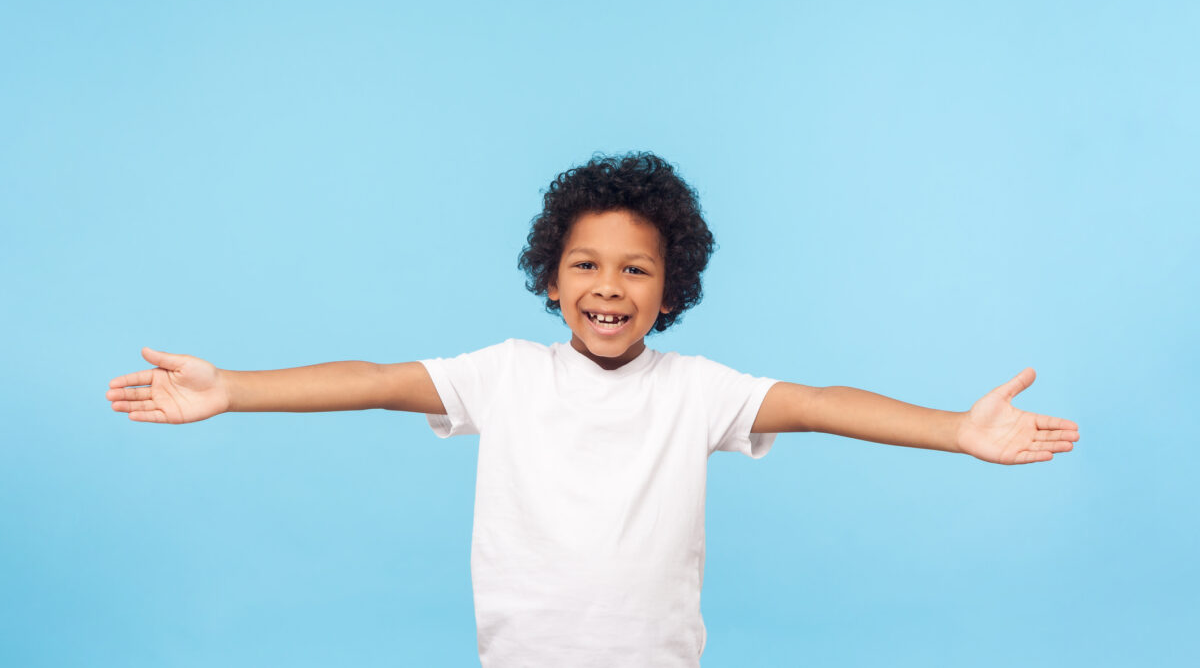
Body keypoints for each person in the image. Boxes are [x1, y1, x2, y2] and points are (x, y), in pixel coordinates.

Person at [105, 152, 1080, 667]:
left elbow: (821, 403)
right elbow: (373, 378)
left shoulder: (697, 389)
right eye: (585, 264)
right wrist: (233, 388)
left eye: (635, 268)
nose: (607, 286)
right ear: (551, 277)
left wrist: (955, 428)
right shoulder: (506, 373)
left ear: (670, 288)